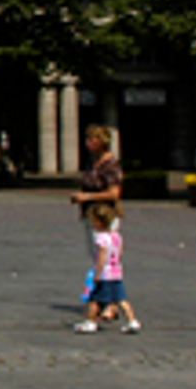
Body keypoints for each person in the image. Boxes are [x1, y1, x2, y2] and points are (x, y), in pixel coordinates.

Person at [70, 124, 124, 300]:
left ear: (101, 142)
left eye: (91, 139)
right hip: (92, 215)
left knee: (106, 259)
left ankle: (110, 301)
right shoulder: (94, 162)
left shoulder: (110, 164)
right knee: (97, 257)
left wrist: (87, 197)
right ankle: (107, 299)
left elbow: (114, 193)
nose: (87, 143)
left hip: (105, 216)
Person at [74, 202, 139, 333]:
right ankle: (133, 321)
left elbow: (102, 257)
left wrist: (97, 273)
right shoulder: (116, 236)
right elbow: (120, 252)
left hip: (105, 274)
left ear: (99, 222)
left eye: (93, 221)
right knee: (121, 299)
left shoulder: (102, 238)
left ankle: (90, 322)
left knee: (94, 300)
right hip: (116, 272)